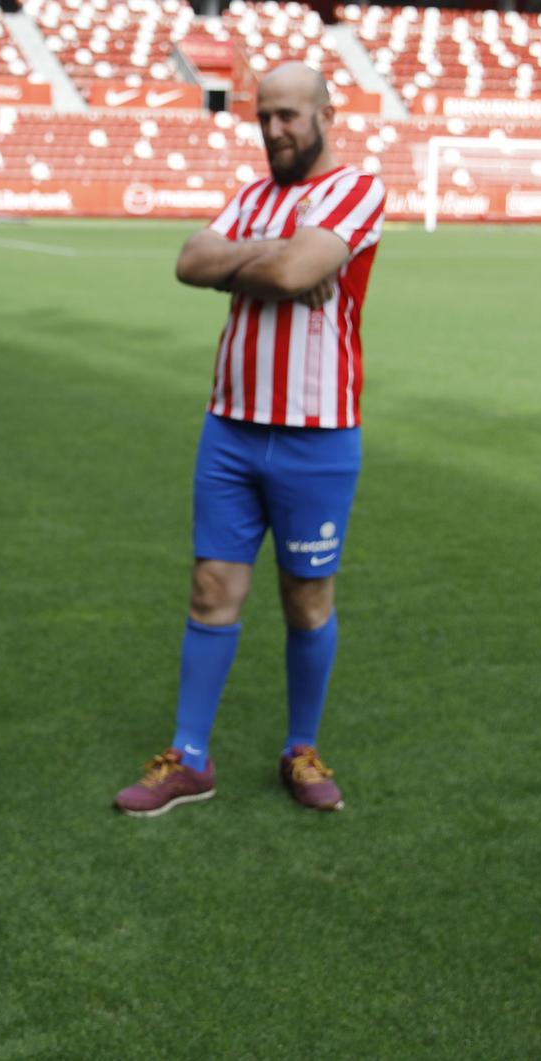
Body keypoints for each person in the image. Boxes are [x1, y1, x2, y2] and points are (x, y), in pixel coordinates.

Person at [113, 62, 386, 818]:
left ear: (326, 113)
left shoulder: (359, 189)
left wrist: (256, 262)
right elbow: (189, 261)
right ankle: (189, 758)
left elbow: (299, 268)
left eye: (290, 116)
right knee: (210, 588)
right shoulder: (252, 196)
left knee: (306, 598)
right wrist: (266, 260)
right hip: (230, 426)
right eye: (265, 115)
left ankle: (301, 748)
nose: (274, 130)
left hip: (317, 433)